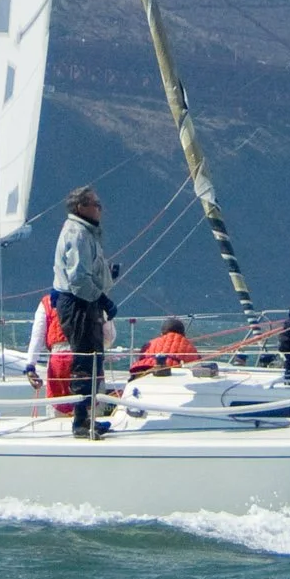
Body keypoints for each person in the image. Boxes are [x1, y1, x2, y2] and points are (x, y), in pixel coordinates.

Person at [47, 186, 116, 438]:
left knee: (94, 357)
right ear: (81, 207)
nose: (100, 209)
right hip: (77, 301)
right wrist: (102, 300)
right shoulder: (77, 234)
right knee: (85, 358)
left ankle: (88, 415)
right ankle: (80, 421)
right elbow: (77, 279)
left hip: (84, 300)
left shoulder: (87, 233)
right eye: (95, 204)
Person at [131, 317, 203, 375]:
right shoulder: (190, 347)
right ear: (183, 334)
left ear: (162, 333)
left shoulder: (150, 343)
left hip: (144, 370)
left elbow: (142, 357)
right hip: (174, 375)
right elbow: (196, 365)